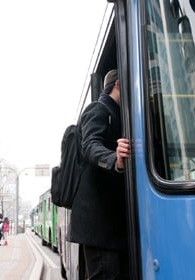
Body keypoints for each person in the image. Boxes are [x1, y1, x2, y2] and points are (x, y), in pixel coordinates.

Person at [69, 69, 131, 279]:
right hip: (100, 222)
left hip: (109, 223)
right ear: (118, 84)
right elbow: (89, 146)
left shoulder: (117, 113)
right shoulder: (99, 108)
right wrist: (116, 159)